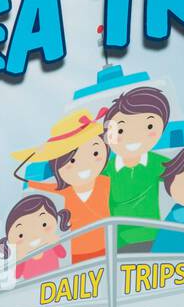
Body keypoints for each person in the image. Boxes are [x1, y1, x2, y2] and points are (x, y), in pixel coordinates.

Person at [13, 109, 112, 263]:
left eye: (95, 153)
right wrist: (40, 153)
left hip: (107, 247)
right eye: (71, 161)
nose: (85, 165)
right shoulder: (65, 191)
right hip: (78, 251)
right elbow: (23, 177)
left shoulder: (106, 181)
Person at [103, 86, 174, 252]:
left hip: (152, 235)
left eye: (148, 126)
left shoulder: (157, 163)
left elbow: (182, 173)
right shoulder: (107, 169)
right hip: (119, 240)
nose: (133, 136)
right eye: (121, 129)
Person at [0, 194, 71, 280]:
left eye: (44, 224)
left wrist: (55, 243)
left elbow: (62, 254)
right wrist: (20, 260)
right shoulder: (23, 255)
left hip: (55, 282)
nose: (33, 236)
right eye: (20, 235)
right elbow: (17, 275)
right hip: (34, 288)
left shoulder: (49, 244)